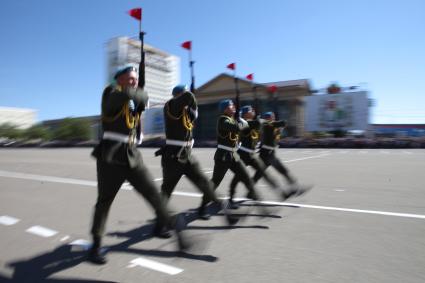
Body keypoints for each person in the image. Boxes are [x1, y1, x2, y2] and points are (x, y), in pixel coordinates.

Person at [88, 66, 184, 264]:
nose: (133, 82)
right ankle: (96, 244)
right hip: (111, 156)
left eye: (135, 79)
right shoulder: (110, 93)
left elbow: (138, 107)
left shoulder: (133, 101)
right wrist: (140, 91)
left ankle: (174, 231)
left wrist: (141, 97)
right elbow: (128, 97)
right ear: (119, 80)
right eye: (130, 78)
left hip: (132, 155)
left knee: (154, 194)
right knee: (105, 201)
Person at [157, 85, 237, 225]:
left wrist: (192, 109)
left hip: (187, 155)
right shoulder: (171, 106)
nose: (187, 94)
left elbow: (190, 113)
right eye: (184, 92)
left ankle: (227, 214)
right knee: (166, 192)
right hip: (173, 157)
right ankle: (159, 226)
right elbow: (189, 97)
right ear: (178, 95)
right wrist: (192, 101)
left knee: (205, 184)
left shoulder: (185, 111)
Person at [198, 100, 263, 219]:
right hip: (223, 156)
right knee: (215, 182)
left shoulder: (234, 119)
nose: (233, 107)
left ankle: (262, 208)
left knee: (246, 177)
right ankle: (202, 208)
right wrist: (242, 121)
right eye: (230, 106)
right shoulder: (222, 120)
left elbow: (247, 128)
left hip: (234, 155)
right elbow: (235, 128)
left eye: (233, 105)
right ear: (224, 109)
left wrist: (256, 122)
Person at [228, 106, 294, 208]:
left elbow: (270, 123)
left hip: (252, 155)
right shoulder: (243, 122)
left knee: (264, 172)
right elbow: (254, 124)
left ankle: (281, 193)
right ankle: (231, 197)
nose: (253, 111)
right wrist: (259, 121)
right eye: (251, 110)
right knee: (238, 176)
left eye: (253, 109)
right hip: (242, 154)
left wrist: (281, 123)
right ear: (245, 114)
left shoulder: (257, 121)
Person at [252, 112, 310, 196]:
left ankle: (295, 188)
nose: (273, 119)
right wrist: (281, 123)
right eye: (272, 117)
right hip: (266, 154)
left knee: (260, 174)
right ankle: (296, 188)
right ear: (268, 118)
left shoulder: (270, 126)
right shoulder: (267, 125)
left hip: (270, 153)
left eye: (273, 117)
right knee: (266, 173)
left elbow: (274, 136)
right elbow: (282, 123)